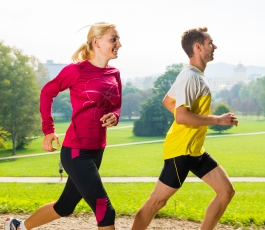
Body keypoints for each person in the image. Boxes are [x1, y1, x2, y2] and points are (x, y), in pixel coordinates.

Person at [5, 22, 122, 230]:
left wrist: (114, 116)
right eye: (114, 39)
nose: (119, 44)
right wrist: (48, 130)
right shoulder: (76, 71)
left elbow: (116, 106)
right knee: (105, 209)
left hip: (97, 150)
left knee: (65, 206)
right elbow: (47, 92)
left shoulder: (114, 74)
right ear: (96, 42)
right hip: (77, 151)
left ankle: (17, 227)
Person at [131, 27, 238, 230]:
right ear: (198, 47)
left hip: (194, 149)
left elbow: (168, 102)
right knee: (157, 202)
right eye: (210, 43)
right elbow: (181, 116)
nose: (214, 46)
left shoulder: (193, 75)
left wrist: (190, 123)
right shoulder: (191, 77)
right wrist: (217, 120)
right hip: (181, 150)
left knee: (226, 191)